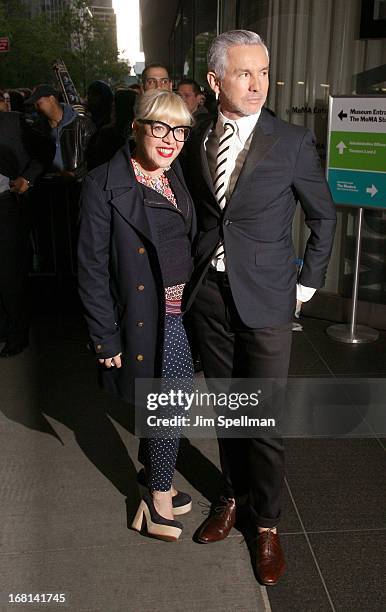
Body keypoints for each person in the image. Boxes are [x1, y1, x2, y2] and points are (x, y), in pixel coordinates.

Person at [181, 30, 337, 584]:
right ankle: (232, 496)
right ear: (215, 81)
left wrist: (305, 287)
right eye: (245, 74)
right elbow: (196, 216)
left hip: (270, 298)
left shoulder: (292, 141)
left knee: (263, 418)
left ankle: (266, 524)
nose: (258, 85)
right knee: (228, 411)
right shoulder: (195, 138)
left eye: (264, 73)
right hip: (210, 300)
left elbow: (324, 217)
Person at [77, 90, 195, 542]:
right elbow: (89, 268)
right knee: (173, 402)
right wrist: (105, 339)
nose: (170, 140)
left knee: (168, 402)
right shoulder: (103, 184)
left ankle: (152, 478)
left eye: (180, 130)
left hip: (181, 310)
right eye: (160, 127)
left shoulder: (174, 173)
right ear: (136, 126)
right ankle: (156, 500)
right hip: (148, 314)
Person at [0, 109, 46, 356]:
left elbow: (43, 152)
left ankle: (18, 334)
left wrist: (27, 179)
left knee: (9, 272)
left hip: (6, 205)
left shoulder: (13, 122)